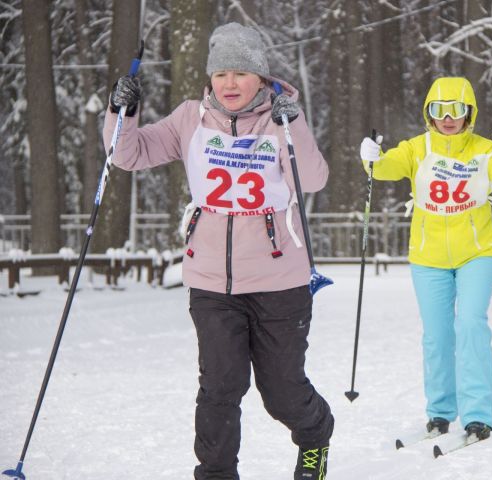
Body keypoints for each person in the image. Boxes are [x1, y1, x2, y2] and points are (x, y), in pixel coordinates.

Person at [104, 23, 333, 480]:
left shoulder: (279, 118)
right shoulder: (190, 118)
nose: (229, 84)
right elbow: (127, 154)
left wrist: (295, 123)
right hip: (210, 279)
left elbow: (312, 179)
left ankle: (315, 438)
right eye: (221, 73)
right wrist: (121, 113)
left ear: (261, 78)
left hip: (280, 280)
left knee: (282, 391)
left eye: (241, 74)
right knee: (219, 388)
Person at [359, 76, 492, 442]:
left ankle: (478, 415)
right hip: (427, 257)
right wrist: (370, 158)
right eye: (438, 110)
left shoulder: (483, 148)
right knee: (437, 336)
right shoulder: (417, 148)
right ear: (428, 113)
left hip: (477, 252)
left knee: (470, 325)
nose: (447, 118)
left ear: (470, 113)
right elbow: (385, 167)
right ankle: (439, 412)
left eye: (456, 110)